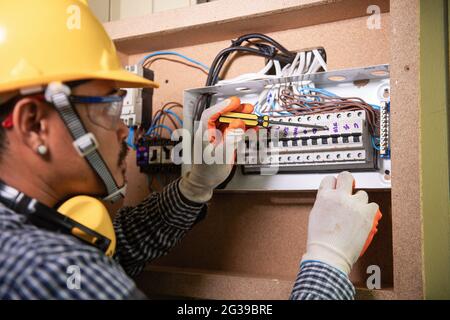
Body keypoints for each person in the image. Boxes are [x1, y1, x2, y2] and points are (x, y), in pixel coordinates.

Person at [0, 0, 380, 300]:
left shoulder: (25, 227)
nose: (124, 130)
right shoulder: (45, 270)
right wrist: (327, 264)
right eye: (108, 107)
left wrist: (194, 187)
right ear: (34, 125)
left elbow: (118, 248)